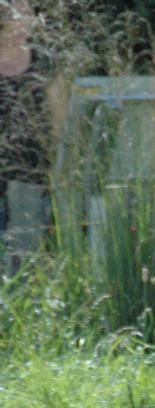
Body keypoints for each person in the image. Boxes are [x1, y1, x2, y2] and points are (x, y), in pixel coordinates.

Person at [1, 0, 64, 244]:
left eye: (29, 14)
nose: (27, 21)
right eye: (18, 14)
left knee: (26, 250)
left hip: (33, 173)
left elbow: (61, 124)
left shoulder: (46, 61)